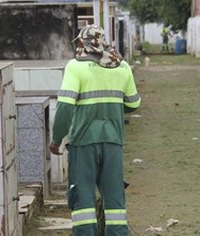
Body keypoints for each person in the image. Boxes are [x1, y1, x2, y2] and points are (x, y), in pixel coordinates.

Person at [49, 25, 141, 236]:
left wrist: (56, 140)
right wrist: (113, 108)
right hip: (113, 141)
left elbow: (64, 107)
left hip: (83, 143)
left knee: (83, 199)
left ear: (82, 44)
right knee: (115, 199)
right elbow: (134, 104)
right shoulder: (122, 67)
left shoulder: (75, 67)